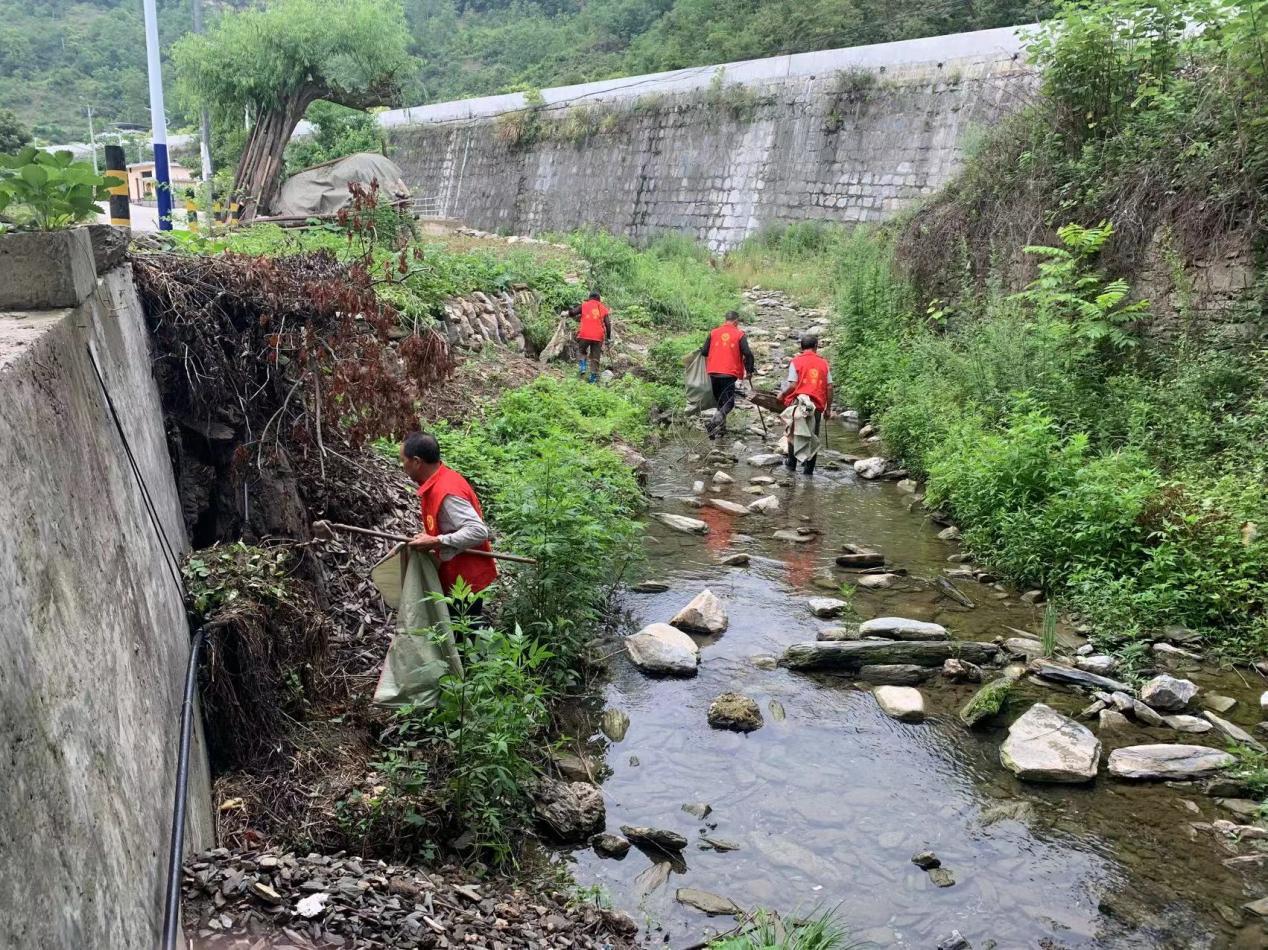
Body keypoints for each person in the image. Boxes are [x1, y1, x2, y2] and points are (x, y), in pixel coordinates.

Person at [399, 431, 497, 616]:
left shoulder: (447, 491)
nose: (402, 465)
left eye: (403, 460)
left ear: (417, 461)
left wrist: (438, 541)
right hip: (455, 576)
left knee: (460, 640)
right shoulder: (439, 480)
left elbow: (478, 531)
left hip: (464, 582)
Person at [778, 334, 833, 475]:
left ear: (801, 348)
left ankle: (791, 465)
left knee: (792, 433)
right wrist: (828, 409)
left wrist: (782, 394)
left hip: (799, 404)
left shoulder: (796, 361)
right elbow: (829, 387)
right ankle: (808, 471)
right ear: (816, 346)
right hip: (816, 406)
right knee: (813, 436)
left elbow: (793, 385)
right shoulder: (824, 363)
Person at [699, 310, 755, 439]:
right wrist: (750, 370)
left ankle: (721, 429)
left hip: (713, 371)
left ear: (726, 320)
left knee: (720, 401)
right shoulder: (739, 334)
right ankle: (713, 424)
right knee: (729, 403)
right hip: (729, 372)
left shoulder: (713, 333)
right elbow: (747, 353)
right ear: (736, 321)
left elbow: (705, 352)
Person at [566, 291, 611, 383]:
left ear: (589, 297)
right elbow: (608, 324)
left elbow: (573, 313)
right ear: (599, 299)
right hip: (598, 336)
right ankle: (593, 378)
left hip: (584, 334)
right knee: (595, 357)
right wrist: (608, 338)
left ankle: (583, 366)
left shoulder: (584, 305)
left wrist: (568, 312)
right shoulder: (603, 308)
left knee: (581, 350)